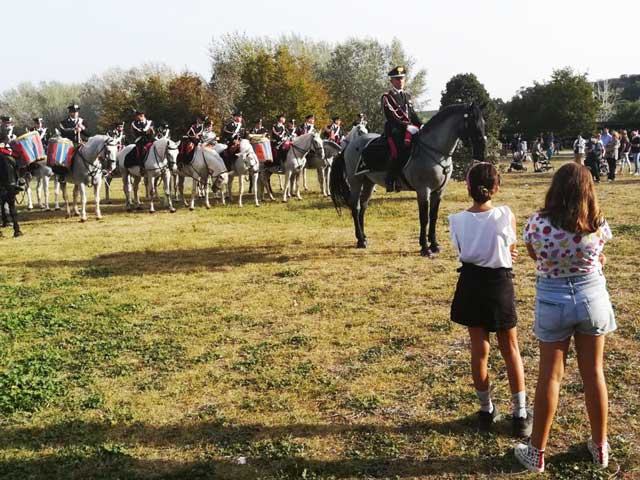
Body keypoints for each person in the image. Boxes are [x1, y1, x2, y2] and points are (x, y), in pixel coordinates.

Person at [515, 163, 615, 473]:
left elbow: (535, 255)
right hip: (592, 298)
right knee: (594, 374)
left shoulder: (537, 223)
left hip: (553, 298)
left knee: (550, 377)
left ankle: (536, 453)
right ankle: (600, 448)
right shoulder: (597, 223)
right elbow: (599, 255)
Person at [449, 162, 532, 437]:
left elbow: (464, 250)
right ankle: (520, 413)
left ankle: (486, 409)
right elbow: (511, 250)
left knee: (479, 349)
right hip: (499, 284)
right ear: (497, 187)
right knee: (511, 349)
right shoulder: (505, 214)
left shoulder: (456, 220)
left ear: (467, 187)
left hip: (471, 284)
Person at [382, 65, 422, 192]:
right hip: (395, 131)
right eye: (397, 79)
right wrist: (407, 126)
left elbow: (413, 114)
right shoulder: (387, 97)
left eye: (402, 79)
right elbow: (391, 116)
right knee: (398, 151)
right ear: (392, 81)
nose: (400, 81)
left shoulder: (407, 96)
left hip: (410, 129)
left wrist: (421, 125)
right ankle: (391, 179)